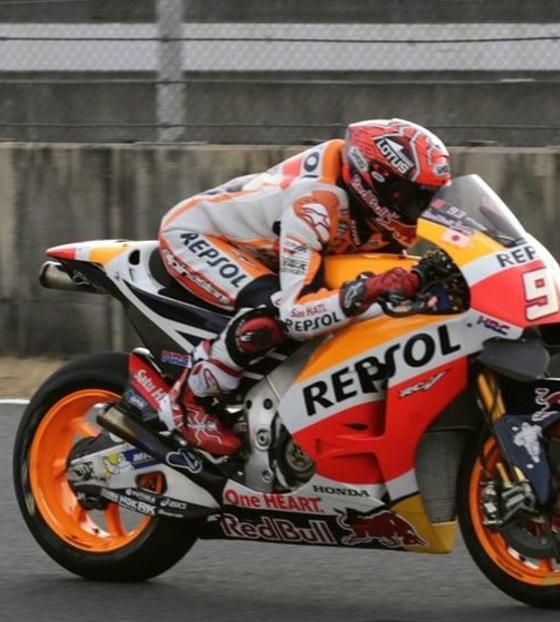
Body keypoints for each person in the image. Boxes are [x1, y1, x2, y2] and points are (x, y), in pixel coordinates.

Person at [155, 118, 452, 455]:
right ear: (375, 180)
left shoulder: (369, 203)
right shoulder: (316, 203)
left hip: (270, 247)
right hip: (201, 235)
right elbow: (297, 314)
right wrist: (370, 290)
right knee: (268, 317)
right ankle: (188, 400)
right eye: (411, 197)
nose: (420, 210)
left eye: (429, 198)